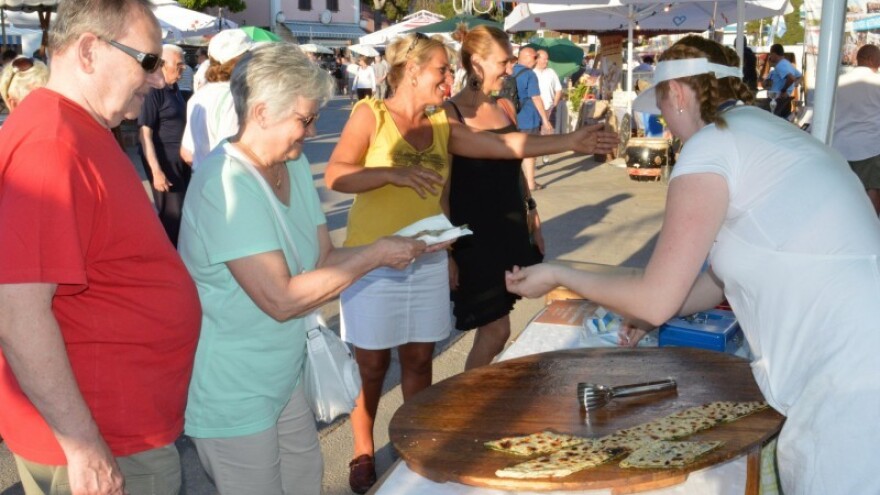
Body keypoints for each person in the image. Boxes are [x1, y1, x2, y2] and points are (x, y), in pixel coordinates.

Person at [506, 35, 880, 495]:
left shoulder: (710, 146)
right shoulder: (767, 134)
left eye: (662, 105)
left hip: (850, 382)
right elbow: (714, 281)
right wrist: (647, 314)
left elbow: (656, 298)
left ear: (679, 93)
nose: (664, 120)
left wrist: (558, 273)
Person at [325, 32, 618, 494]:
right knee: (373, 365)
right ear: (412, 71)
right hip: (373, 258)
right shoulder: (371, 113)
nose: (449, 76)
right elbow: (336, 175)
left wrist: (571, 140)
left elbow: (504, 147)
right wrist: (392, 174)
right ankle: (363, 449)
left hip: (426, 256)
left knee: (419, 359)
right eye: (441, 69)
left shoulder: (441, 123)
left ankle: (416, 440)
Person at [178, 42, 425, 495]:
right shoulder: (224, 184)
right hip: (235, 389)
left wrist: (401, 245)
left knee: (305, 480)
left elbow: (324, 259)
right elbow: (282, 299)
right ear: (261, 112)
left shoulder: (288, 167)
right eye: (304, 119)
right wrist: (376, 255)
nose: (311, 132)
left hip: (285, 374)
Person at [0, 1, 202, 494]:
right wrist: (83, 446)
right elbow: (17, 313)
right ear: (89, 51)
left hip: (118, 428)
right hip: (104, 440)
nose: (157, 78)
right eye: (148, 61)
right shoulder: (52, 144)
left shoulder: (78, 129)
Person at [443, 25, 545, 370]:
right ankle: (468, 395)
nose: (510, 69)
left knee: (498, 328)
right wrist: (448, 253)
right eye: (504, 62)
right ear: (477, 63)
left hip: (509, 229)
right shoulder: (449, 114)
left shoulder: (504, 106)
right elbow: (443, 191)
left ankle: (477, 392)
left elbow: (515, 170)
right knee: (496, 330)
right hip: (473, 238)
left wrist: (532, 214)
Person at [138, 44, 190, 246]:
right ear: (162, 65)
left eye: (183, 65)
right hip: (164, 161)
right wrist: (156, 170)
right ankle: (169, 255)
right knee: (172, 214)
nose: (182, 69)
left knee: (182, 211)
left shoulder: (174, 89)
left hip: (179, 160)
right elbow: (145, 133)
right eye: (178, 65)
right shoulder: (154, 91)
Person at [180, 28, 253, 171]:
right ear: (242, 61)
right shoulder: (234, 97)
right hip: (229, 178)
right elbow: (235, 154)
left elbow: (187, 153)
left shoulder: (199, 95)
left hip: (204, 177)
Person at [832, 43, 880, 216]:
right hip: (871, 147)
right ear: (872, 59)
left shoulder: (838, 82)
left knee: (844, 190)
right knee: (873, 189)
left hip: (840, 146)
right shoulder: (877, 82)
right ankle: (869, 225)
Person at [513, 46, 553, 191]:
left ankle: (513, 182)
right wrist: (545, 120)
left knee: (514, 150)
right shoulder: (530, 74)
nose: (537, 60)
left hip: (511, 117)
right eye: (535, 57)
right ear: (527, 57)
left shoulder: (509, 71)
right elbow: (536, 97)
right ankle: (530, 183)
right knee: (529, 152)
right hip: (528, 118)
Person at [534, 48, 563, 165]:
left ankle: (546, 153)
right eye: (544, 59)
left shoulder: (551, 72)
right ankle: (534, 154)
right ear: (537, 59)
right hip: (535, 108)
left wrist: (555, 103)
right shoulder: (531, 73)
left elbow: (558, 89)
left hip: (549, 106)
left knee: (549, 131)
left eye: (547, 59)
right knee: (536, 132)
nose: (546, 61)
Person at [762, 43, 801, 119]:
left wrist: (784, 90)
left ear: (774, 54)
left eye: (771, 54)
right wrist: (792, 87)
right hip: (784, 101)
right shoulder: (787, 64)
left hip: (777, 101)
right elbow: (799, 76)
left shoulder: (780, 65)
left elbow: (791, 78)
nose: (770, 57)